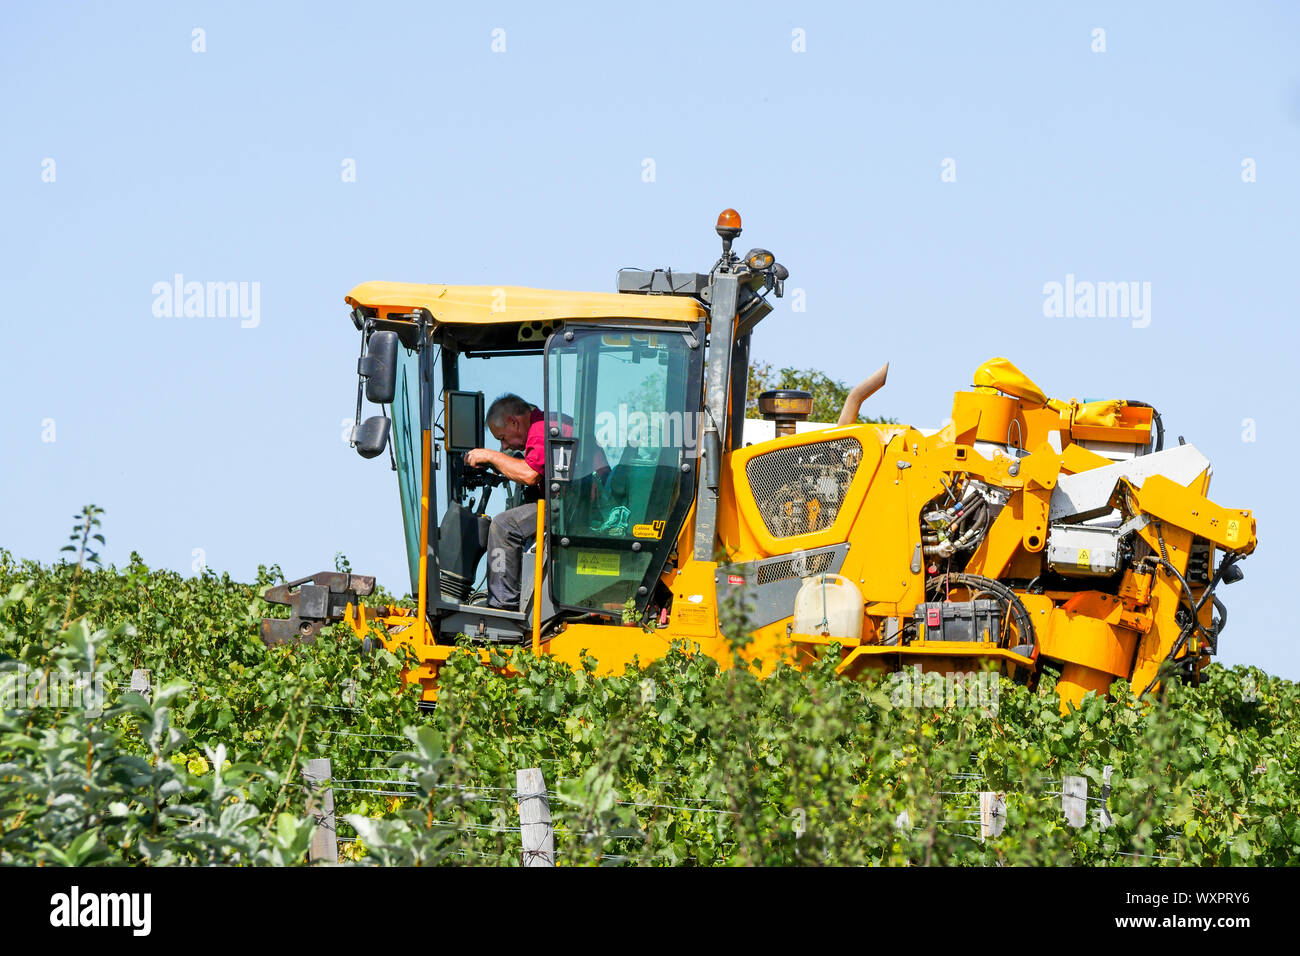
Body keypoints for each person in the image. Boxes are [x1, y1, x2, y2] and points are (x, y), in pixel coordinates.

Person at [465, 395, 548, 610]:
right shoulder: (550, 422)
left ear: (514, 422)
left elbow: (530, 474)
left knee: (504, 525)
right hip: (572, 504)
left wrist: (491, 456)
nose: (503, 445)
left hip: (566, 508)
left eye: (502, 438)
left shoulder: (540, 429)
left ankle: (502, 604)